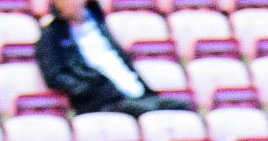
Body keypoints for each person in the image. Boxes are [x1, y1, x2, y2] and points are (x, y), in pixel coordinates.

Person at [36, 0, 193, 117]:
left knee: (180, 106)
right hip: (104, 100)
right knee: (150, 112)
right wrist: (88, 87)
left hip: (136, 92)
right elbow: (54, 75)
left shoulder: (97, 22)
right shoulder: (52, 35)